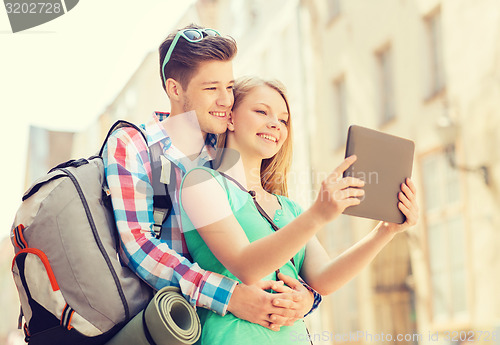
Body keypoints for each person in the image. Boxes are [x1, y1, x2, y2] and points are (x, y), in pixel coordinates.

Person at [102, 24, 321, 332]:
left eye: (229, 87)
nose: (226, 100)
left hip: (234, 328)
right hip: (167, 325)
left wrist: (307, 297)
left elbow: (269, 232)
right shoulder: (133, 145)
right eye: (211, 89)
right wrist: (230, 296)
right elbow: (138, 246)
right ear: (175, 89)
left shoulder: (225, 150)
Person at [179, 76, 419, 344]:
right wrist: (317, 215)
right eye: (261, 111)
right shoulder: (202, 182)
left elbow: (324, 280)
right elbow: (246, 266)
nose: (275, 124)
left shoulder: (289, 207)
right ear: (231, 119)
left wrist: (385, 232)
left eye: (283, 120)